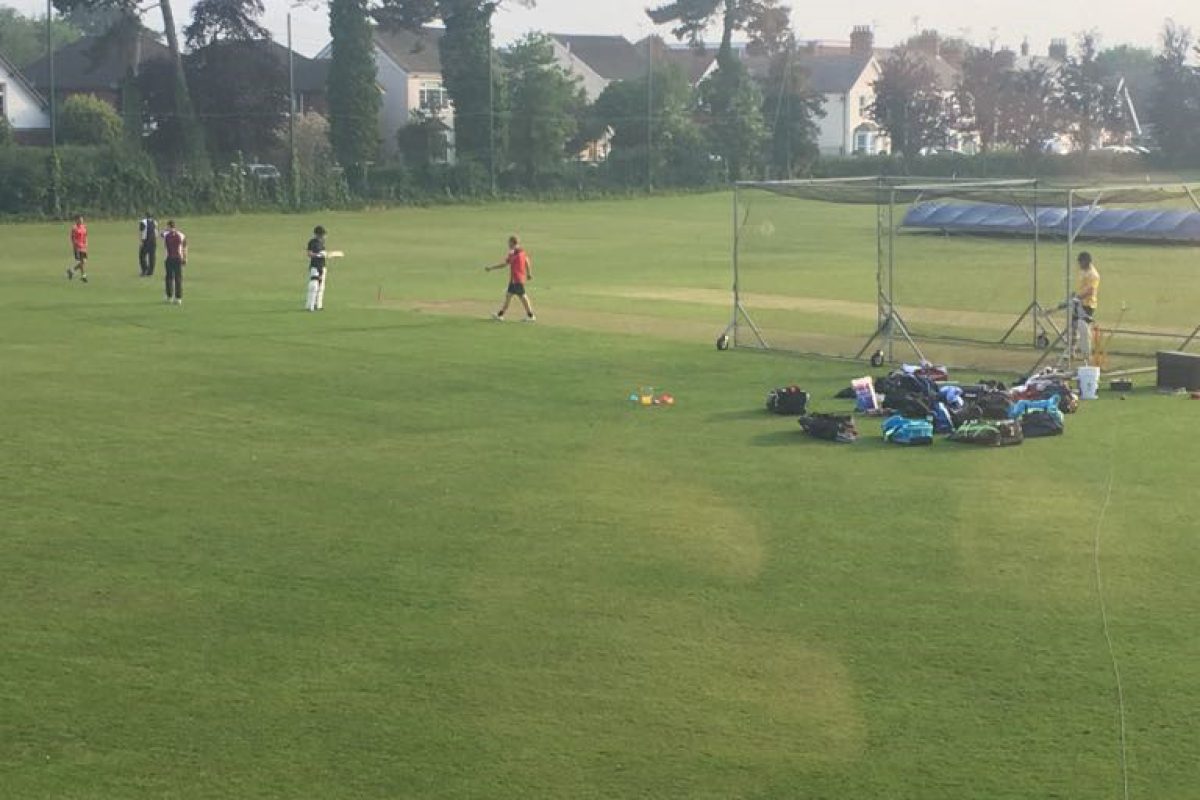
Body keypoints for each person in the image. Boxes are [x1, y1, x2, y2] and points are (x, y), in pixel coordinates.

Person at [485, 235, 535, 322]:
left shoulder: (514, 254)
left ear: (512, 243)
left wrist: (491, 268)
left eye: (509, 242)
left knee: (523, 297)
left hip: (517, 279)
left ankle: (530, 315)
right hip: (515, 280)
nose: (508, 244)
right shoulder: (522, 252)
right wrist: (529, 273)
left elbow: (504, 265)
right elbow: (527, 261)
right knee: (509, 296)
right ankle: (500, 315)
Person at [1072, 251, 1100, 359]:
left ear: (1086, 262)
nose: (1079, 264)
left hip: (1088, 305)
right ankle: (1071, 351)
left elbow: (1090, 291)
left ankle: (1086, 354)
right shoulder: (1082, 271)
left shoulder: (1093, 275)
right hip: (1078, 303)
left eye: (1081, 262)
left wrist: (1078, 297)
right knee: (1073, 327)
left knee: (1083, 328)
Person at [162, 219, 187, 305]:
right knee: (178, 278)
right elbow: (184, 247)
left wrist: (166, 229)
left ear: (169, 226)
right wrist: (185, 258)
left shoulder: (165, 234)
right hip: (178, 259)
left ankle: (169, 297)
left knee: (169, 278)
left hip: (169, 259)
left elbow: (160, 234)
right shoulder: (181, 235)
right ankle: (178, 298)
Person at [305, 225, 328, 311]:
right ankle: (310, 305)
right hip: (315, 266)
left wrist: (326, 254)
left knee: (321, 287)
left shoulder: (322, 243)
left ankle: (318, 305)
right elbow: (309, 254)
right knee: (314, 286)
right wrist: (318, 255)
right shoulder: (312, 242)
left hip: (322, 266)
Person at [67, 215, 89, 283]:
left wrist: (86, 243)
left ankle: (71, 271)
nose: (81, 221)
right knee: (81, 262)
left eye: (82, 219)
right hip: (77, 247)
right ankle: (83, 276)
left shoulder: (84, 227)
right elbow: (72, 238)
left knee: (83, 261)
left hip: (83, 247)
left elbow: (85, 236)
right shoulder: (74, 228)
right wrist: (75, 245)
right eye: (79, 219)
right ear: (76, 220)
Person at [138, 212, 158, 277]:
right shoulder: (155, 222)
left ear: (145, 216)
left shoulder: (143, 222)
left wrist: (141, 241)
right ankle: (150, 272)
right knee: (152, 256)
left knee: (142, 255)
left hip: (146, 241)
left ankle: (144, 270)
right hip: (153, 241)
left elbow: (142, 232)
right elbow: (156, 232)